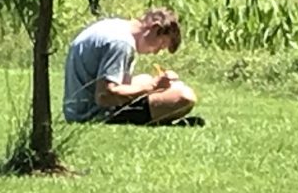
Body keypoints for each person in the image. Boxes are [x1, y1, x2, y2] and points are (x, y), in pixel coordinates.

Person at [62, 7, 202, 126]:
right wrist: (153, 87)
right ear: (155, 29)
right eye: (161, 45)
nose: (156, 52)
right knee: (185, 96)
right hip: (92, 113)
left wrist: (155, 84)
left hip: (76, 108)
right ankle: (160, 116)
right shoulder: (122, 44)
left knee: (147, 79)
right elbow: (104, 95)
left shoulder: (117, 27)